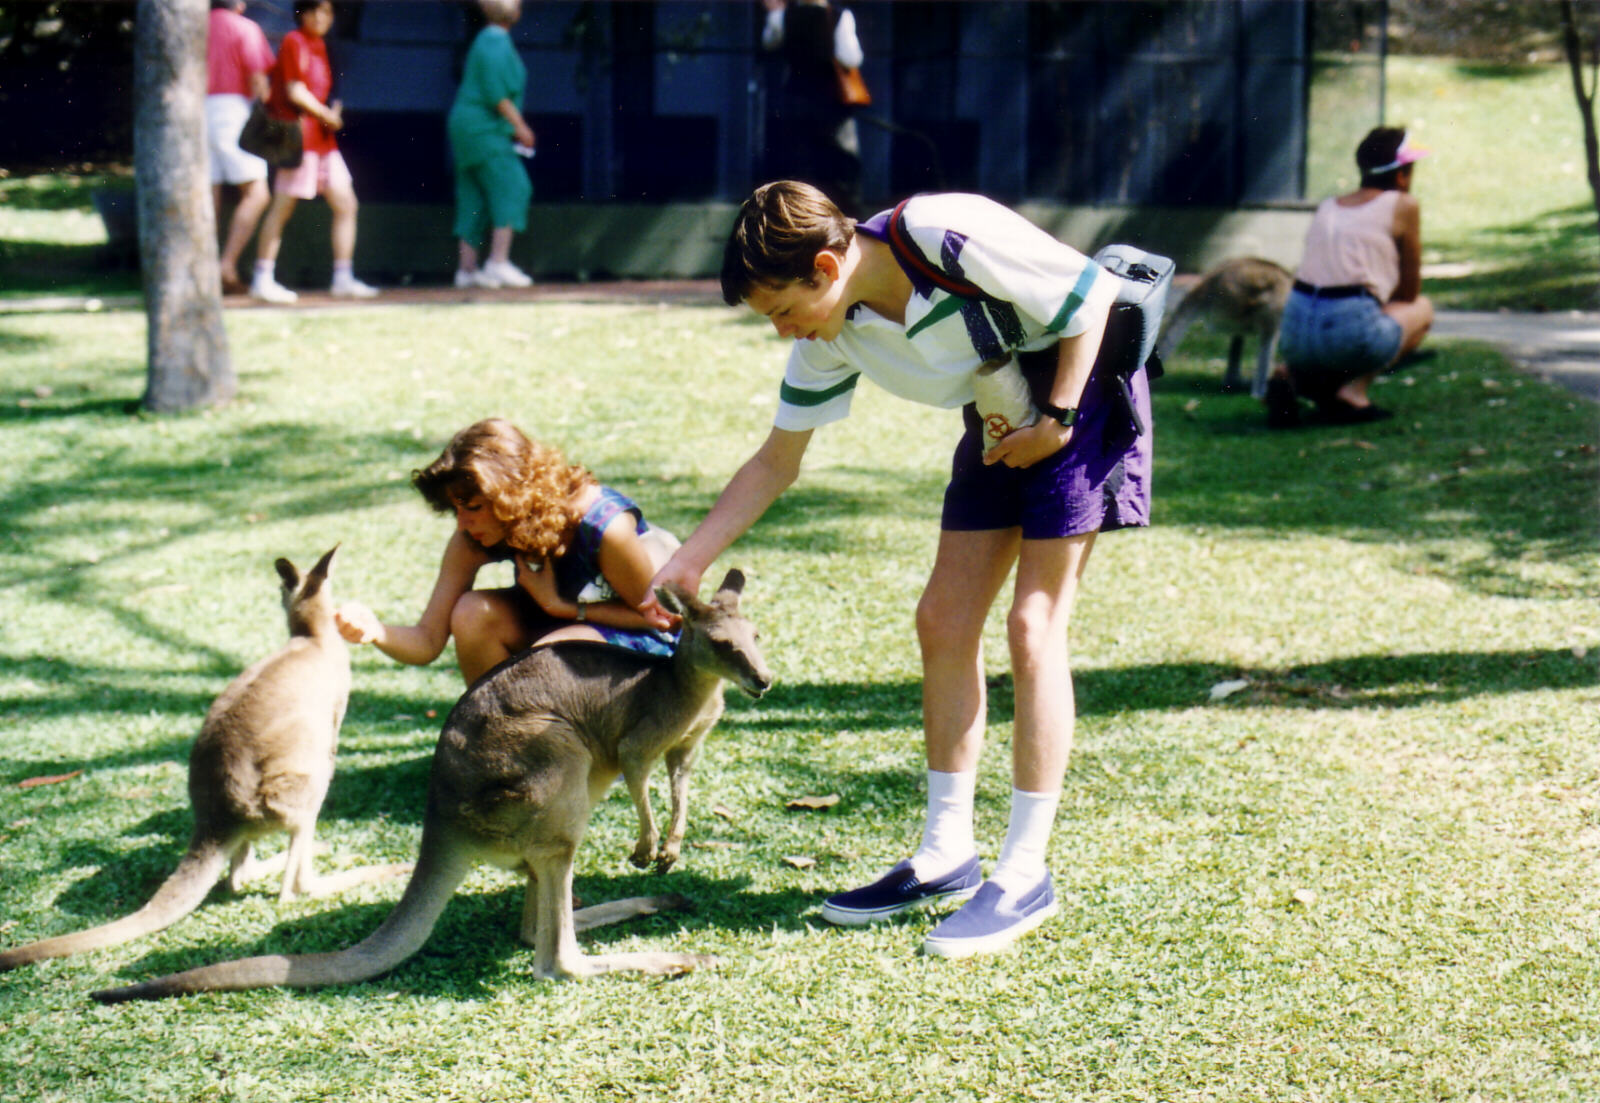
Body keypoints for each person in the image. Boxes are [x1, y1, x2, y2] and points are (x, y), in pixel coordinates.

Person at [650, 181, 1152, 959]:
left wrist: (1053, 421)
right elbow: (776, 462)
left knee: (1033, 623)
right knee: (943, 620)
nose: (783, 330)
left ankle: (1024, 873)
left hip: (1076, 396)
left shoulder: (940, 231)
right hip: (997, 400)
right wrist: (688, 560)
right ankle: (947, 853)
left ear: (826, 263)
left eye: (782, 308)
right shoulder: (832, 332)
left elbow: (1087, 299)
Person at [335, 419, 679, 686]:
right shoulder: (472, 538)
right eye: (455, 509)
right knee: (473, 612)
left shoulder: (603, 526)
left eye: (472, 507)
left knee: (554, 654)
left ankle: (589, 758)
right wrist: (376, 630)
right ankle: (501, 744)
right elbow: (427, 641)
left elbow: (660, 621)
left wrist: (562, 607)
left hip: (648, 661)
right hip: (564, 632)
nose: (462, 523)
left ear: (511, 496)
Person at [1267, 126, 1434, 427]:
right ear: (1401, 176)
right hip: (1348, 327)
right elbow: (1409, 292)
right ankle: (1354, 391)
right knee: (1421, 309)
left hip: (1294, 331)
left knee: (1338, 322)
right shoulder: (1404, 204)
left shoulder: (1328, 206)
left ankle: (1292, 375)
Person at [249, 0, 377, 304]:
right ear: (301, 14)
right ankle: (261, 279)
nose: (320, 18)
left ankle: (343, 279)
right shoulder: (294, 41)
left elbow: (323, 90)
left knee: (346, 203)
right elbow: (295, 91)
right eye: (313, 11)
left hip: (323, 143)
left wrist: (332, 111)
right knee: (282, 207)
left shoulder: (321, 45)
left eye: (326, 12)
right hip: (299, 140)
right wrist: (326, 115)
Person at [448, 0, 536, 290]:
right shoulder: (494, 43)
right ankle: (498, 263)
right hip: (483, 129)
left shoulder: (486, 41)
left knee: (474, 194)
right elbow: (497, 95)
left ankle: (467, 270)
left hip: (466, 127)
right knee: (513, 185)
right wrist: (521, 127)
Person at [760, 0, 865, 217]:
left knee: (798, 170)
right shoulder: (839, 16)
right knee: (838, 170)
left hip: (795, 104)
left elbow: (769, 43)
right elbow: (851, 57)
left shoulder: (783, 16)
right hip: (831, 107)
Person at [205, 0, 276, 296]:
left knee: (210, 194)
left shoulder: (196, 25)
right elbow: (258, 78)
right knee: (257, 193)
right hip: (232, 109)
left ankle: (204, 269)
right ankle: (227, 265)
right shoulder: (245, 28)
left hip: (194, 111)